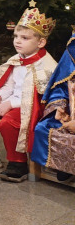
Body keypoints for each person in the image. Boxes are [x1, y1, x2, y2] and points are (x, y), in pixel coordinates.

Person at [0, 5, 57, 182]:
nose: (17, 41)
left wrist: (10, 104)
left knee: (9, 123)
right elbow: (9, 84)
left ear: (41, 42)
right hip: (11, 102)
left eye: (24, 38)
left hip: (31, 108)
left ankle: (18, 164)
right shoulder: (17, 59)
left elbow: (34, 97)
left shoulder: (47, 66)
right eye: (16, 36)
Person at [31, 33, 75, 179]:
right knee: (44, 128)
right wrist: (59, 108)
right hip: (71, 115)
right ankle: (65, 166)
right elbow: (60, 87)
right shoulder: (72, 49)